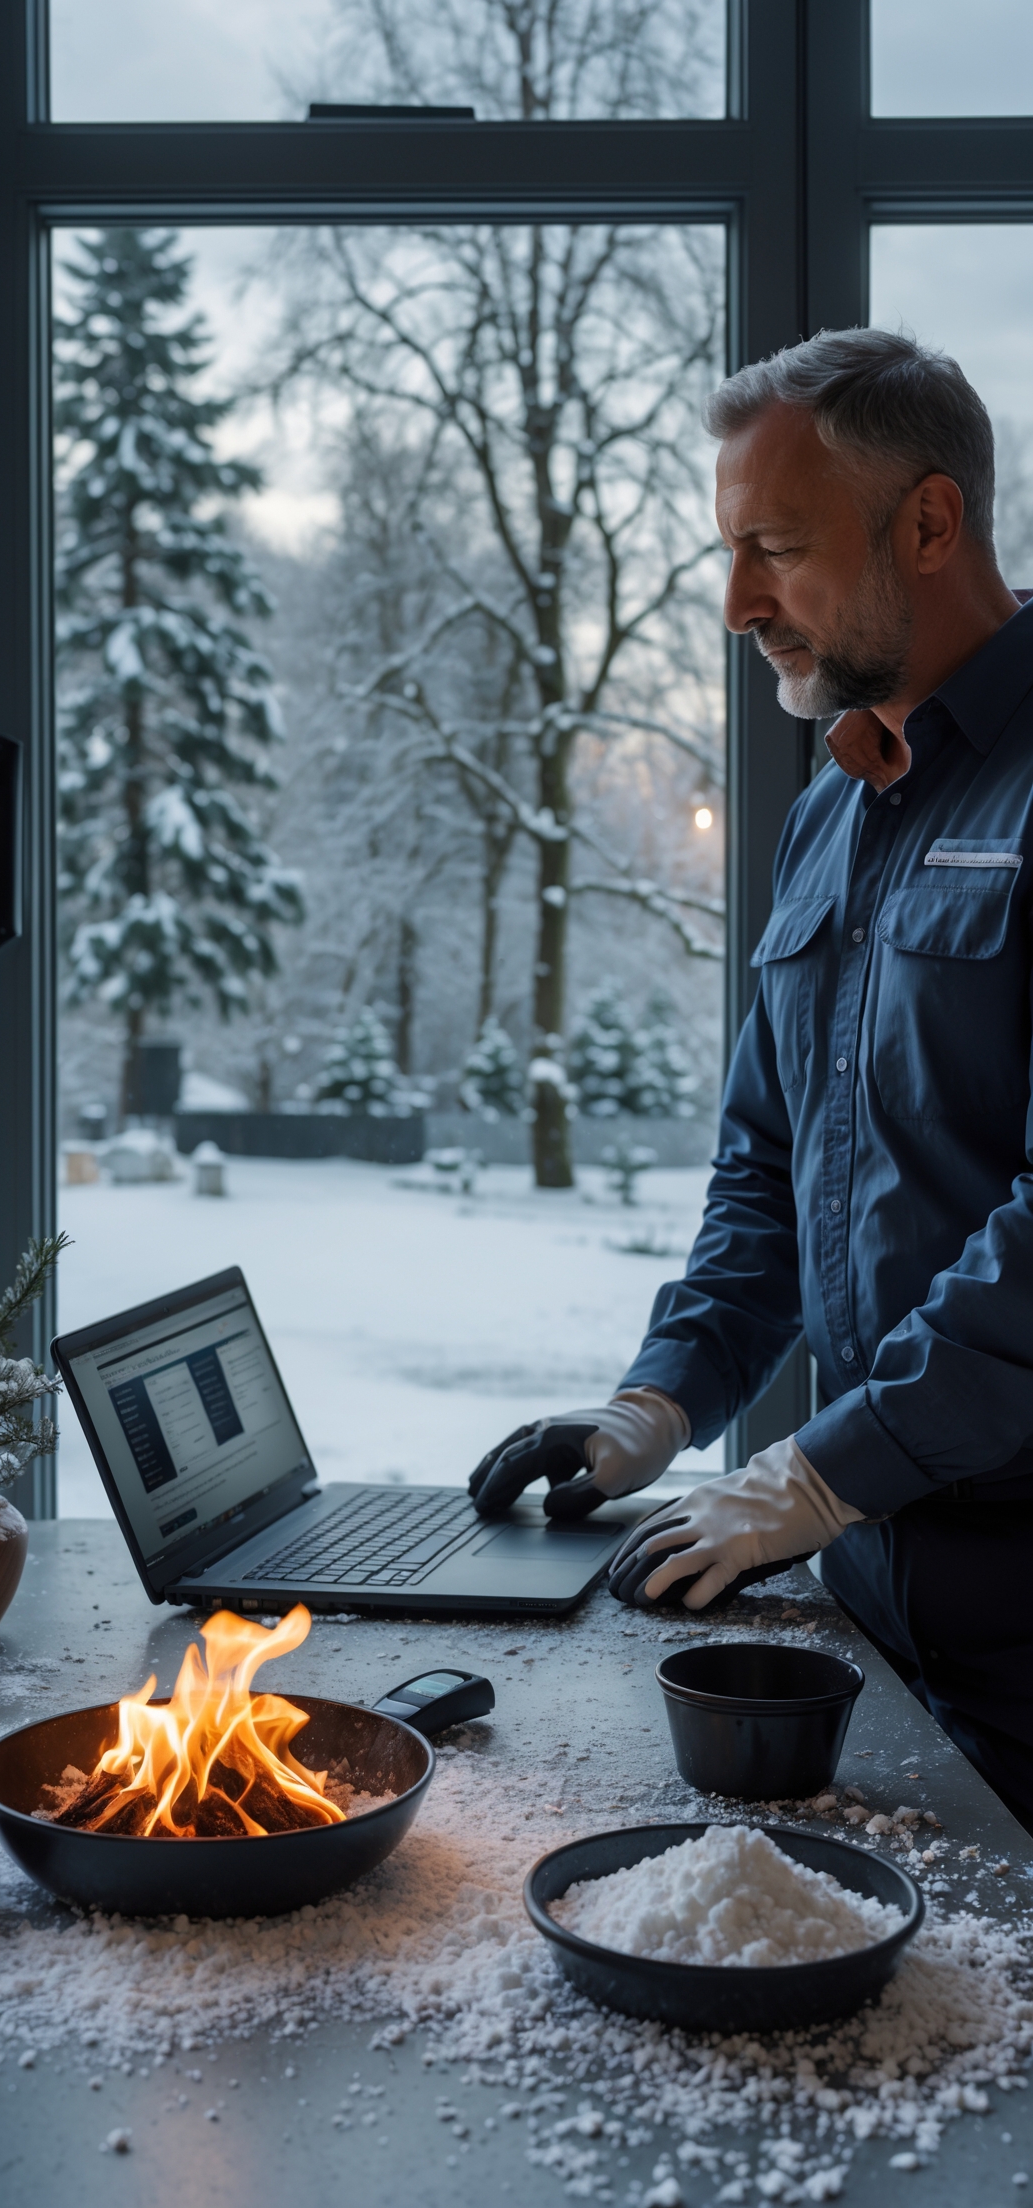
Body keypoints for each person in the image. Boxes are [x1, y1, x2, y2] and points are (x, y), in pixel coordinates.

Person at [469, 327, 1033, 1827]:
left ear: (928, 521)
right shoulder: (829, 813)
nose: (736, 604)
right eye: (731, 552)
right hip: (865, 1620)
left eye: (773, 548)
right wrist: (658, 1405)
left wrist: (819, 1473)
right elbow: (771, 1171)